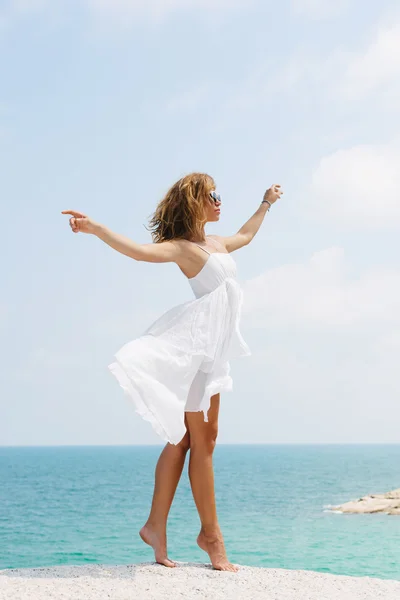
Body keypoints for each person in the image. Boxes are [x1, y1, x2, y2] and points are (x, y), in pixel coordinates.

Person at [62, 173, 283, 572]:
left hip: (212, 354)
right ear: (194, 202)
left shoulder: (216, 243)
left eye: (219, 193)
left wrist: (266, 203)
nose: (219, 200)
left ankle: (156, 528)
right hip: (194, 352)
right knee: (202, 440)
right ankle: (211, 538)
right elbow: (137, 252)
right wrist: (95, 228)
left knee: (187, 439)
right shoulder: (183, 249)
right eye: (211, 195)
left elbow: (246, 236)